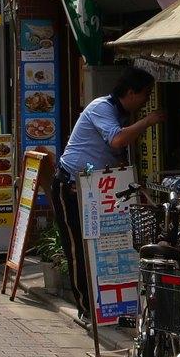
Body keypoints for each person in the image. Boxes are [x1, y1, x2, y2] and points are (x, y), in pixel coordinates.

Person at [54, 66, 163, 325]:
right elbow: (116, 140)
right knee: (79, 248)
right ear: (130, 92)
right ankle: (86, 309)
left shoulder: (120, 114)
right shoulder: (101, 107)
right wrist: (148, 121)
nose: (146, 100)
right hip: (70, 187)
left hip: (95, 190)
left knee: (102, 246)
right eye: (145, 94)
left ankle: (108, 308)